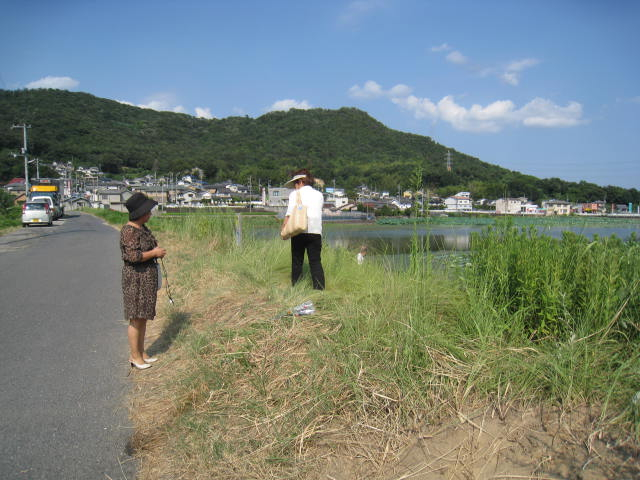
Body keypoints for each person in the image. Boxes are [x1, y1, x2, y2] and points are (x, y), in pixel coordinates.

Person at [121, 192, 167, 370]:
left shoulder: (142, 228)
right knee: (136, 318)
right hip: (136, 280)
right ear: (140, 213)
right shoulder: (129, 231)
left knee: (143, 317)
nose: (150, 213)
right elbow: (132, 256)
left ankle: (141, 352)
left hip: (146, 278)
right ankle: (134, 356)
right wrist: (154, 253)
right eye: (148, 211)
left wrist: (156, 250)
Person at [281, 169, 325, 290]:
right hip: (315, 232)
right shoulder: (319, 195)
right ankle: (319, 290)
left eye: (296, 183)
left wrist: (283, 229)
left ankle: (297, 289)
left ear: (301, 181)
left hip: (299, 230)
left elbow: (289, 214)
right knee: (315, 262)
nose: (295, 186)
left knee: (297, 262)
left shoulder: (295, 194)